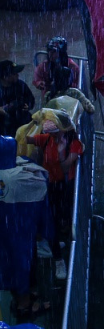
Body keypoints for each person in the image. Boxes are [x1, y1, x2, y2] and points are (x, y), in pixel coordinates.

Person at [26, 111, 82, 281]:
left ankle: (58, 253)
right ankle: (57, 254)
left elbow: (65, 167)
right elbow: (27, 139)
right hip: (47, 187)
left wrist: (61, 151)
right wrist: (34, 123)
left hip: (63, 188)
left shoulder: (74, 144)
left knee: (59, 220)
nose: (52, 136)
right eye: (50, 133)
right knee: (52, 222)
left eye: (55, 132)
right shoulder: (46, 139)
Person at [0, 135, 51, 317]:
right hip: (18, 230)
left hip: (6, 231)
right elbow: (40, 189)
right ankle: (25, 306)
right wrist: (44, 229)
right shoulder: (23, 178)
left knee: (9, 265)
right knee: (21, 264)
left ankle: (21, 297)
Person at [0, 61, 34, 138]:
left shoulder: (20, 85)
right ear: (5, 77)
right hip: (4, 127)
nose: (18, 75)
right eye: (14, 74)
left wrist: (28, 105)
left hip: (23, 122)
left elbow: (30, 99)